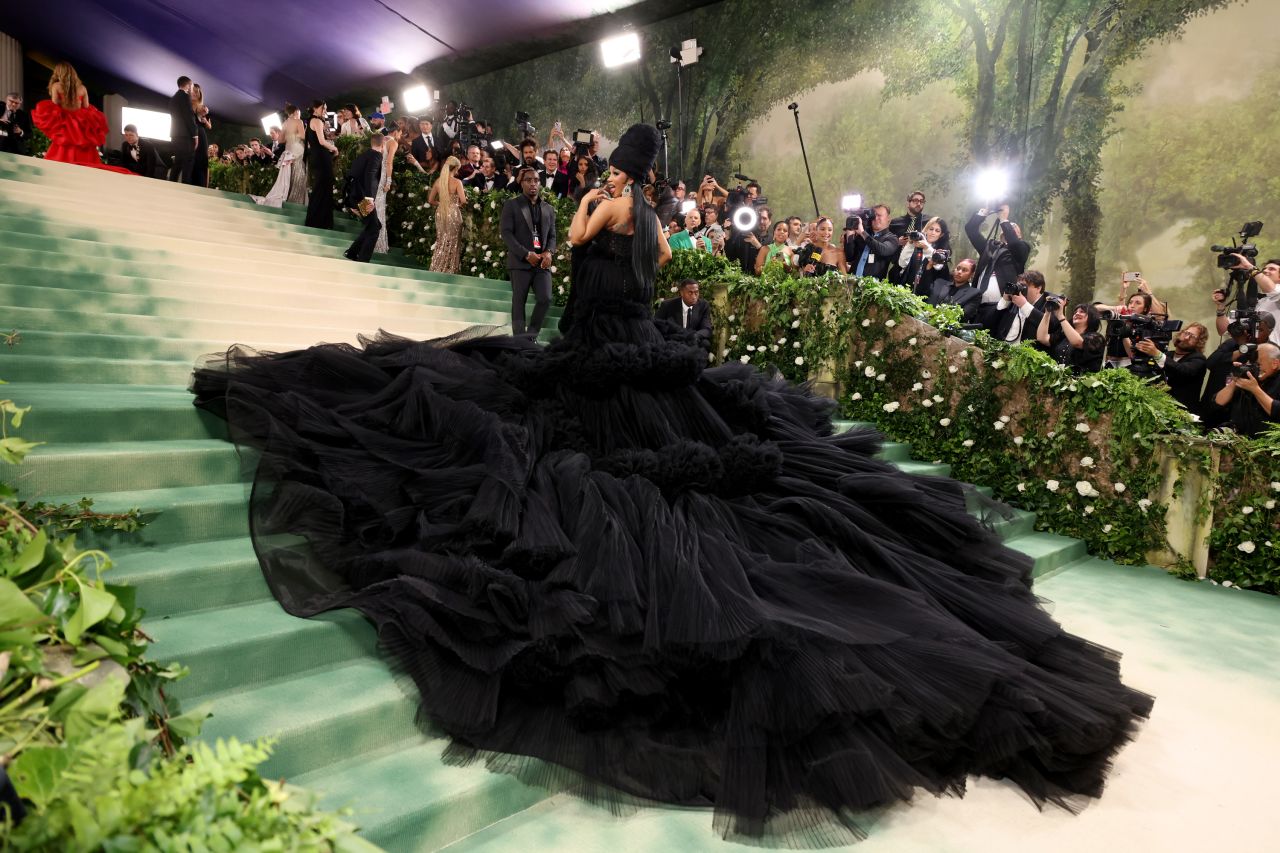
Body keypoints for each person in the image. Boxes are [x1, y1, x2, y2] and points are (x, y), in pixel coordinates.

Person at [190, 121, 1151, 847]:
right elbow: (629, 270)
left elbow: (570, 242)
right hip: (638, 350)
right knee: (683, 464)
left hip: (601, 354)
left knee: (564, 464)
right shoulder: (652, 218)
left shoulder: (609, 204)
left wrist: (592, 195)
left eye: (617, 160)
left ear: (626, 164)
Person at [31, 62, 133, 175]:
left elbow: (55, 103)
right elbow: (86, 106)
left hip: (66, 121)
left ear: (59, 73)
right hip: (80, 122)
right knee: (83, 146)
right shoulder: (82, 88)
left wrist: (65, 103)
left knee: (64, 144)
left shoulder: (57, 86)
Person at [499, 167, 557, 335]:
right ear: (521, 182)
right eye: (529, 180)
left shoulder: (548, 209)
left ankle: (531, 335)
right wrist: (525, 253)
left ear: (540, 183)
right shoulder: (512, 205)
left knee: (545, 298)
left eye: (536, 180)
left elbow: (552, 236)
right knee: (519, 301)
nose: (533, 183)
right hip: (520, 262)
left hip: (541, 262)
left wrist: (549, 253)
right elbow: (506, 234)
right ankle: (519, 339)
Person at [966, 205, 1030, 312]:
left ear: (1019, 236)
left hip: (1003, 305)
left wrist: (1004, 219)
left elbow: (1014, 243)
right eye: (1008, 226)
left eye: (1013, 227)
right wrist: (984, 212)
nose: (1009, 227)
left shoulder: (1022, 248)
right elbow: (970, 229)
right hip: (977, 303)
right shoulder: (989, 246)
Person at [1212, 338, 1280, 437]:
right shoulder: (1250, 378)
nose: (1254, 367)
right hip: (1238, 439)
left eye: (1258, 364)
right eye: (1251, 363)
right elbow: (1217, 404)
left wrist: (1255, 389)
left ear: (1275, 364)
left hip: (1266, 444)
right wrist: (1237, 378)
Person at [253, 104, 307, 208]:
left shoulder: (285, 123)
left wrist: (289, 135)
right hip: (298, 149)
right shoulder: (298, 121)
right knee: (299, 175)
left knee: (289, 175)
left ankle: (289, 200)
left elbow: (281, 140)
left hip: (288, 150)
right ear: (296, 112)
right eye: (299, 112)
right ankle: (297, 202)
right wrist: (296, 134)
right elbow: (303, 136)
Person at [342, 134, 385, 263]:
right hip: (363, 199)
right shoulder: (376, 156)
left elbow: (350, 176)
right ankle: (363, 260)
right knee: (373, 229)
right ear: (383, 145)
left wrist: (350, 202)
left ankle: (352, 252)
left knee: (375, 225)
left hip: (355, 196)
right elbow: (370, 176)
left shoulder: (363, 155)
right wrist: (369, 198)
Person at [1036, 300, 1105, 374]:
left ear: (1092, 316)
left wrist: (1060, 316)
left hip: (1081, 383)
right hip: (1058, 380)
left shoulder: (1097, 338)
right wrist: (1047, 313)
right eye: (1075, 312)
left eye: (1082, 311)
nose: (1077, 313)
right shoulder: (1064, 336)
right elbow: (1042, 338)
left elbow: (1078, 342)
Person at [427, 155, 466, 274]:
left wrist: (441, 202)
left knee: (441, 240)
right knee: (453, 242)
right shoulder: (457, 182)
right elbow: (463, 201)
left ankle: (437, 267)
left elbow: (430, 200)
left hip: (441, 211)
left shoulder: (438, 182)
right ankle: (450, 269)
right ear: (455, 168)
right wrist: (456, 204)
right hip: (453, 212)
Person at [894, 216, 951, 297]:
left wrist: (926, 247)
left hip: (926, 294)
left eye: (937, 231)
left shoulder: (942, 250)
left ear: (941, 235)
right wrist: (910, 244)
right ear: (926, 229)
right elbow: (902, 263)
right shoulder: (916, 244)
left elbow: (938, 266)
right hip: (906, 289)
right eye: (931, 229)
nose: (933, 232)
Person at [304, 100, 338, 229]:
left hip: (316, 157)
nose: (325, 110)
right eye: (323, 108)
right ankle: (320, 222)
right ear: (315, 108)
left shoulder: (310, 121)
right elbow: (322, 141)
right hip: (321, 157)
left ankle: (317, 221)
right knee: (323, 188)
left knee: (320, 188)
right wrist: (334, 148)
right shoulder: (317, 121)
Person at [654, 278, 712, 348]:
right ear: (682, 293)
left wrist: (696, 335)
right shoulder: (667, 305)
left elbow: (707, 329)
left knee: (705, 344)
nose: (694, 296)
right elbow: (655, 325)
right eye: (690, 293)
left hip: (693, 339)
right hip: (673, 339)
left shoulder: (703, 305)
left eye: (696, 292)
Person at [842, 205, 897, 278]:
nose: (875, 218)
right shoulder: (861, 234)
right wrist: (850, 234)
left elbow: (882, 250)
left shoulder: (892, 238)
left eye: (879, 215)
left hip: (873, 286)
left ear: (888, 219)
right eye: (873, 215)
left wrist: (862, 233)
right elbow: (849, 257)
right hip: (852, 281)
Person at [373, 122, 400, 254]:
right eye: (400, 133)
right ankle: (378, 244)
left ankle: (372, 239)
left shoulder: (380, 138)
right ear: (396, 132)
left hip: (373, 174)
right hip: (383, 175)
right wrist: (389, 181)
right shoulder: (393, 142)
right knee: (379, 207)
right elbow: (389, 163)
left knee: (374, 205)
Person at [928, 257, 982, 323]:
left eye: (964, 270)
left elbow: (963, 316)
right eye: (958, 268)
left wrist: (936, 316)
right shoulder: (939, 283)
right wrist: (929, 265)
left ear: (972, 274)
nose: (959, 272)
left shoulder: (974, 293)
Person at [168, 75, 198, 183]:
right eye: (192, 86)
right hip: (185, 137)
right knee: (187, 165)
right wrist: (195, 135)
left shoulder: (173, 98)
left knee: (177, 164)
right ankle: (186, 190)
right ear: (188, 85)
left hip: (175, 136)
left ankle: (171, 186)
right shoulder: (185, 97)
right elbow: (189, 117)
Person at [190, 83, 212, 188]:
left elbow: (209, 126)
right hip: (190, 135)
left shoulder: (202, 107)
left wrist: (204, 118)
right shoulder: (186, 104)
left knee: (202, 159)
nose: (195, 93)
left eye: (197, 91)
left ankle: (202, 185)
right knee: (191, 160)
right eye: (193, 90)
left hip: (201, 136)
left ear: (199, 93)